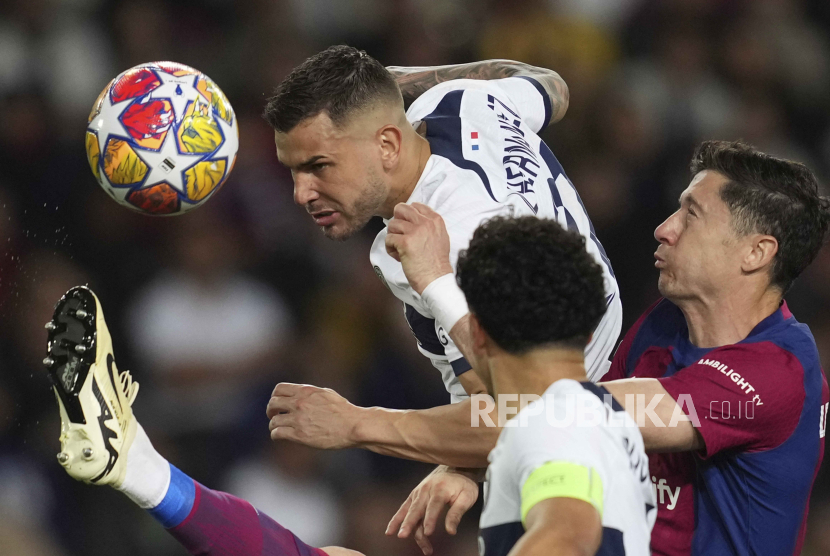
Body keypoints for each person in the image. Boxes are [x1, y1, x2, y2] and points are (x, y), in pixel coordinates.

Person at [281, 140, 827, 555]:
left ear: (756, 253)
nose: (664, 228)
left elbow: (559, 411)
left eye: (691, 214)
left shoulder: (773, 376)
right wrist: (464, 465)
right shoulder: (666, 325)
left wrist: (361, 422)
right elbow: (544, 403)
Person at [43, 217, 653, 556]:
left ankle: (139, 470)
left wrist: (437, 284)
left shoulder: (557, 422)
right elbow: (506, 422)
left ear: (484, 338)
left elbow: (568, 531)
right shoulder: (597, 408)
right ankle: (138, 468)